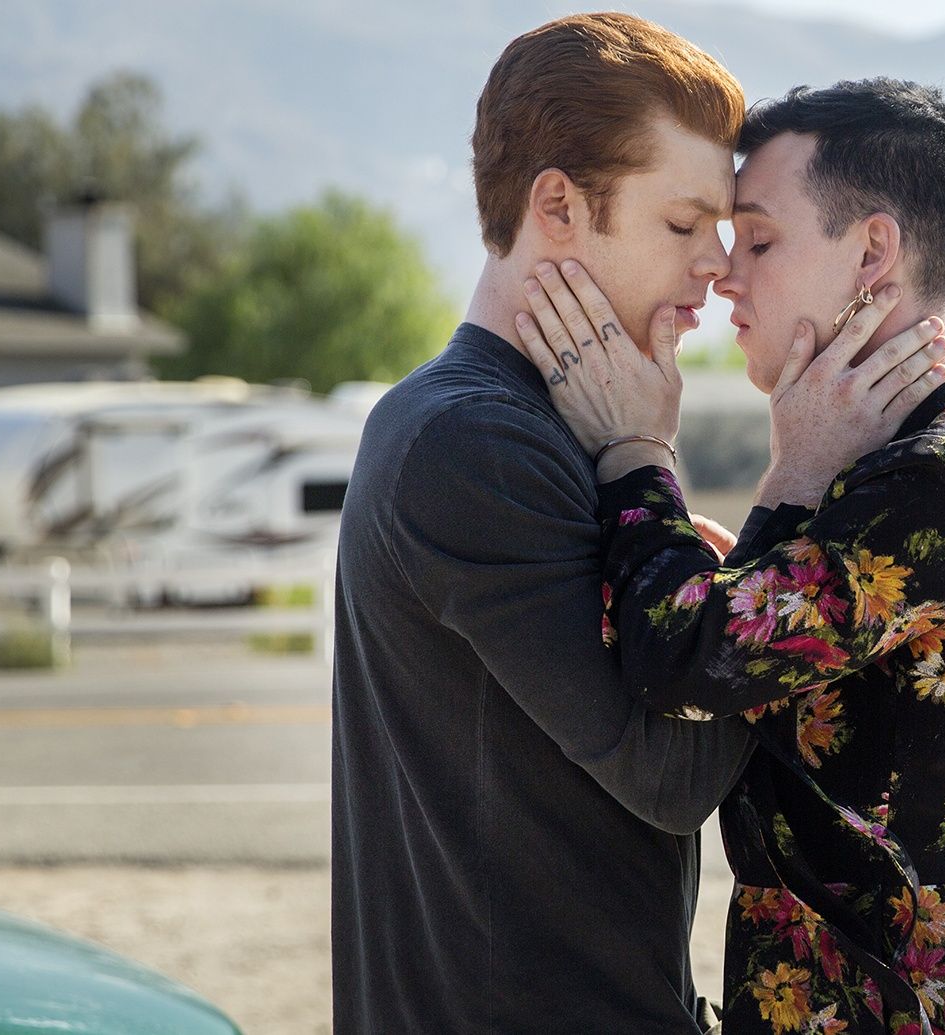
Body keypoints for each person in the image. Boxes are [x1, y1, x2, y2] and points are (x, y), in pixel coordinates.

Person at [517, 78, 945, 1035]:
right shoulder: (907, 462)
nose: (724, 275)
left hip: (900, 1005)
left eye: (758, 239)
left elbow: (687, 661)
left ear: (873, 252)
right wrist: (777, 514)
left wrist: (638, 454)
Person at [331, 14, 766, 1032]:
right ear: (559, 205)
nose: (721, 264)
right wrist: (775, 618)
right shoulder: (476, 444)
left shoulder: (525, 426)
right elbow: (670, 775)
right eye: (682, 224)